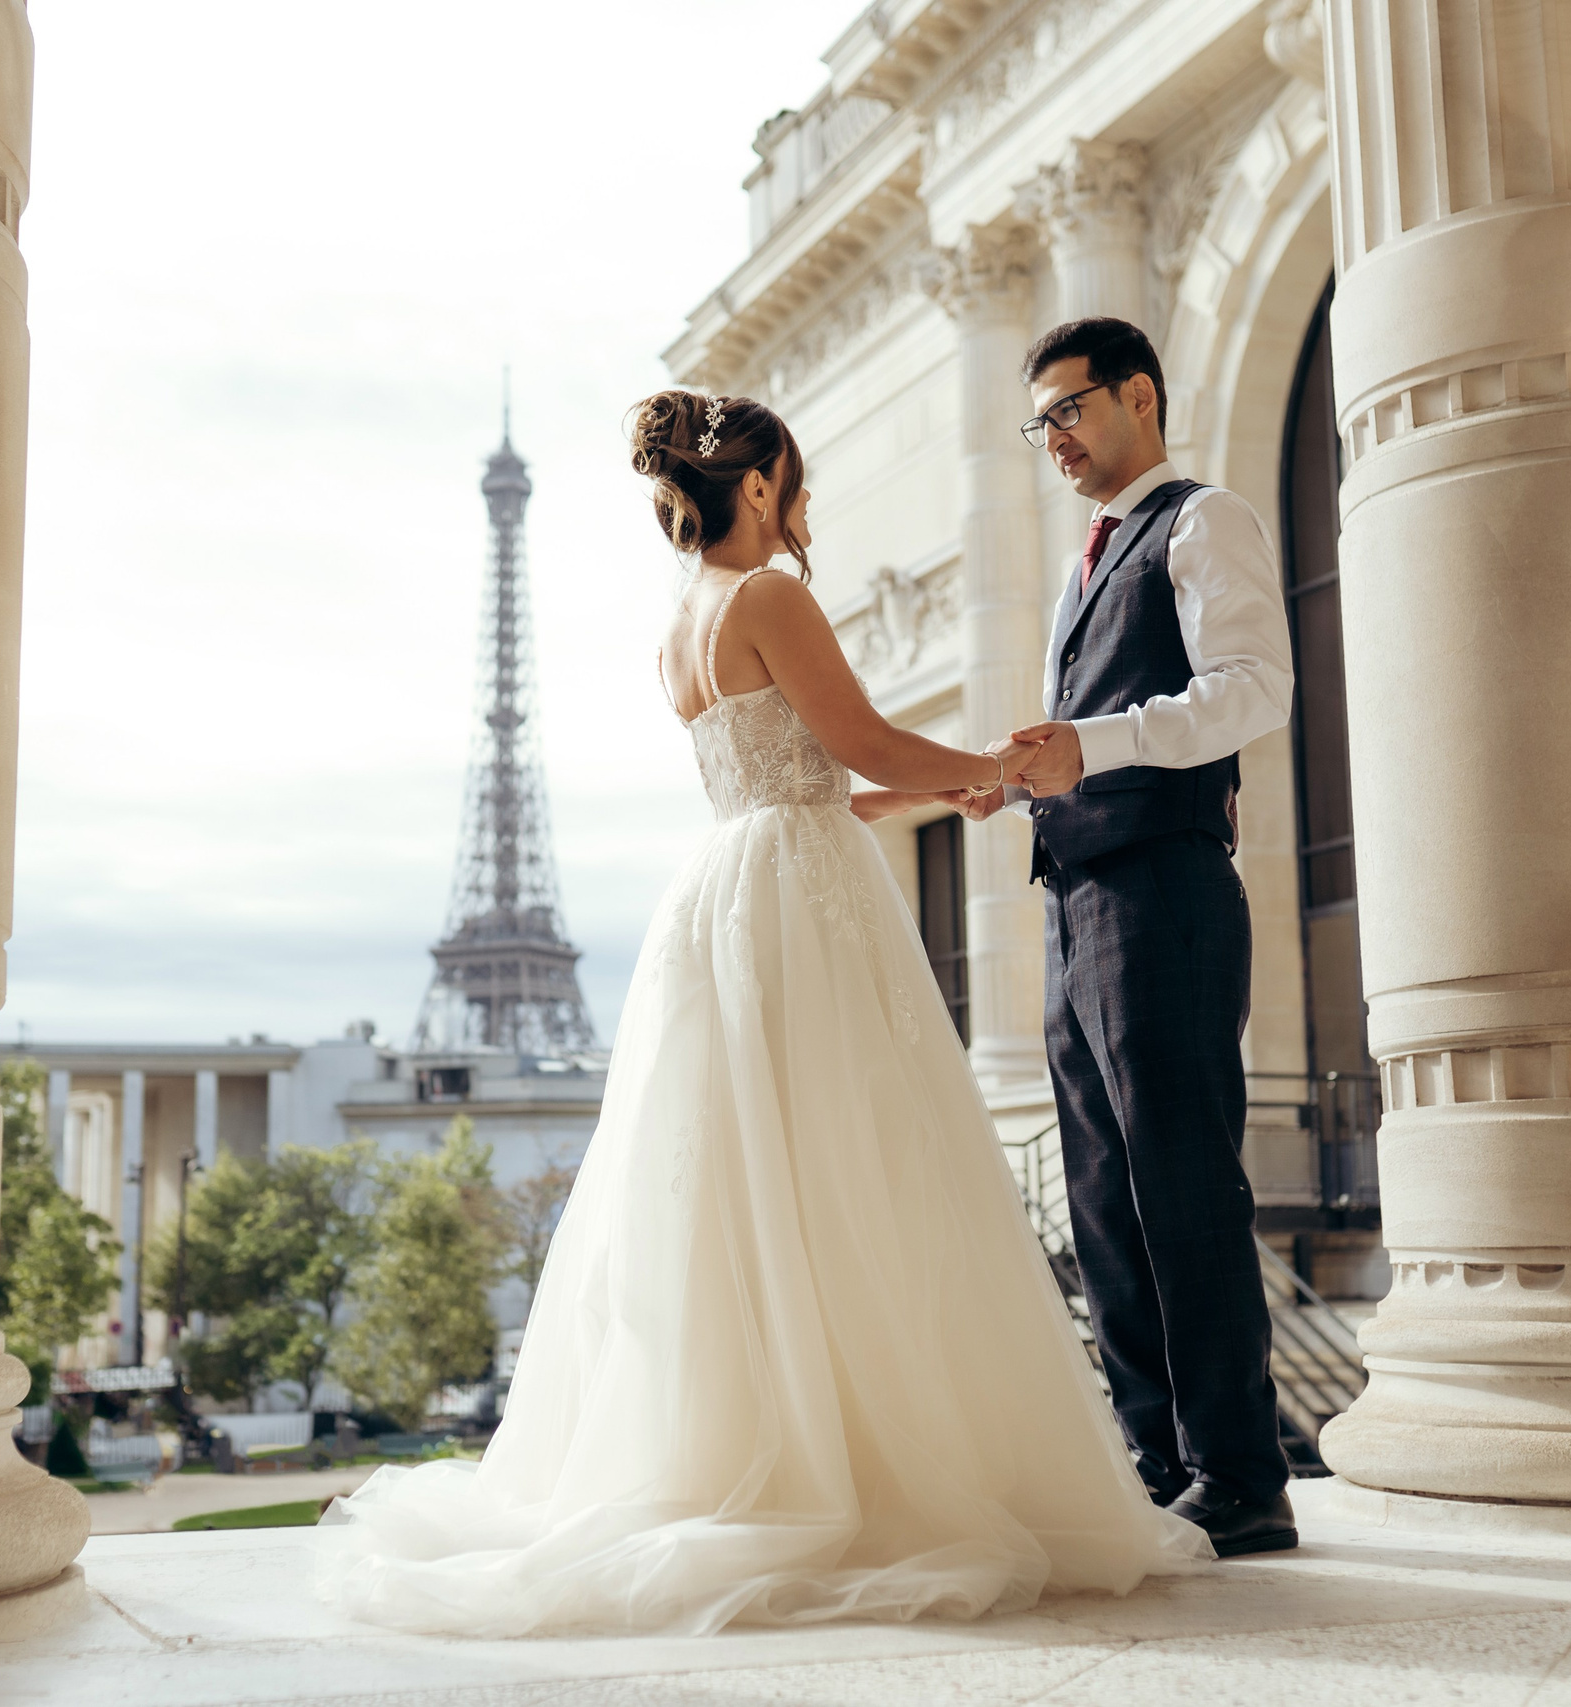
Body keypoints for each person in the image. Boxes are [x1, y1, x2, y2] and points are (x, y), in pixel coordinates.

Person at [315, 389, 1208, 1637]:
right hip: (801, 901)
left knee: (752, 1183)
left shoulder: (678, 629)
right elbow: (866, 747)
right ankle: (864, 1465)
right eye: (794, 480)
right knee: (857, 1163)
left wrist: (944, 794)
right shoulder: (770, 598)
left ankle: (758, 1452)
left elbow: (800, 786)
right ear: (752, 486)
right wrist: (1004, 768)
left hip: (730, 888)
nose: (805, 502)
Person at [954, 317, 1297, 1556]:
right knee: (1103, 1197)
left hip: (1166, 894)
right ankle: (1158, 1466)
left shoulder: (1202, 522)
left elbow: (1253, 689)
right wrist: (1021, 779)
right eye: (1036, 421)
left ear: (1138, 396)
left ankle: (1240, 1477)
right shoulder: (1080, 565)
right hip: (1075, 897)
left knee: (1180, 1184)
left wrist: (1089, 747)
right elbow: (1091, 733)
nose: (1051, 437)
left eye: (1068, 409)